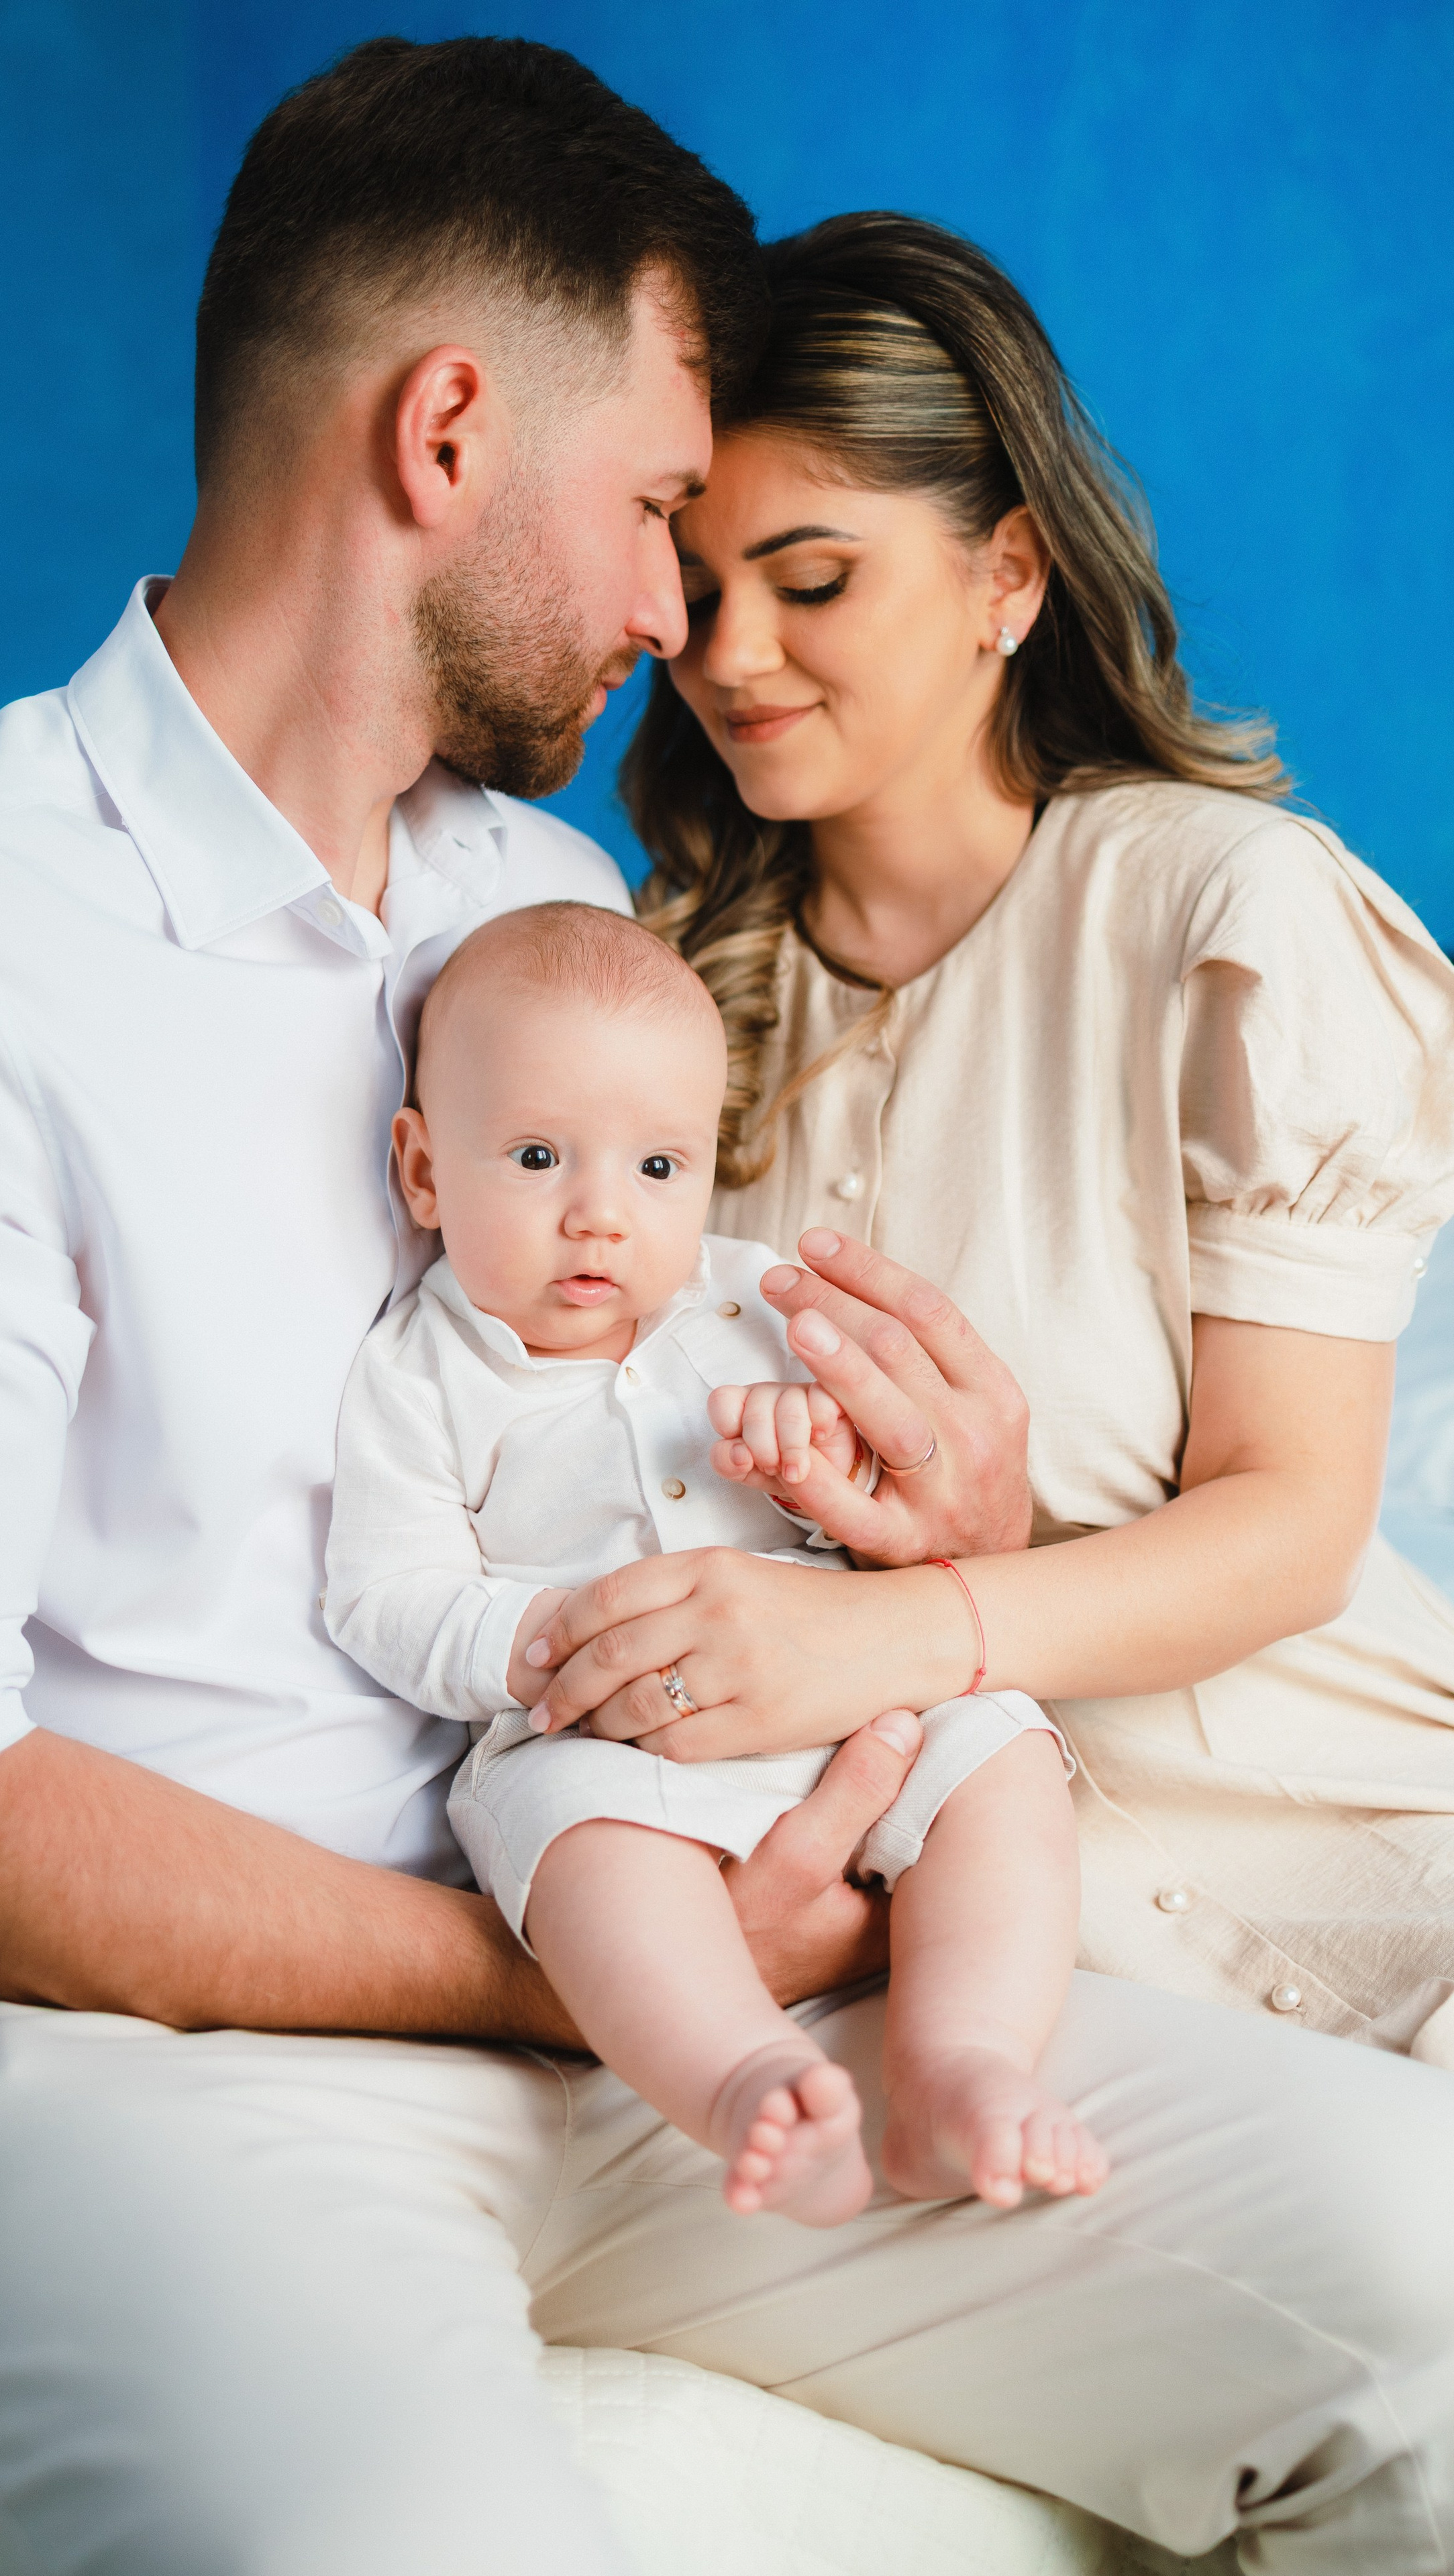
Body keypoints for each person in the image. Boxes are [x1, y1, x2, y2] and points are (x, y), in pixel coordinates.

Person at [0, 42, 1449, 2575]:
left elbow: (681, 1402)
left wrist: (911, 1551)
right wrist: (555, 1969)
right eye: (662, 507)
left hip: (698, 1973)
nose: (684, 618)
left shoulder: (549, 900)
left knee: (1425, 2291)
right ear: (447, 432)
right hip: (158, 2066)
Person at [548, 207, 1454, 2076]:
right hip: (1002, 1974)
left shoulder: (1231, 924)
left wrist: (891, 1632)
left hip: (1377, 1859)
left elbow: (1292, 1526)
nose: (731, 659)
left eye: (812, 580)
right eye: (699, 590)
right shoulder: (645, 1019)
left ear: (1009, 575)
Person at [325, 899, 1098, 2224]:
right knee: (580, 1860)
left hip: (832, 1690)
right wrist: (532, 1642)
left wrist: (822, 1468)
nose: (599, 1219)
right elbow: (380, 1596)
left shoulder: (747, 1305)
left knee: (1003, 1751)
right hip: (595, 1733)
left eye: (657, 1170)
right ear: (421, 1172)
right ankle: (743, 2081)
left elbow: (888, 1513)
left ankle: (959, 2066)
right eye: (533, 1156)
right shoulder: (417, 1374)